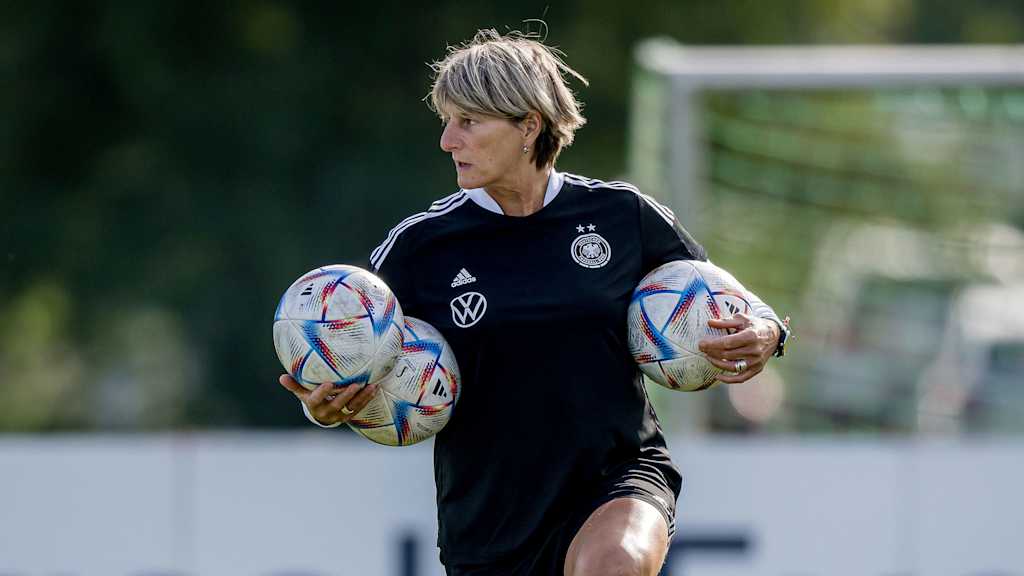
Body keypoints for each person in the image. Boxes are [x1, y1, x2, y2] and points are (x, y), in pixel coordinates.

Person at [279, 28, 789, 576]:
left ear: (528, 125)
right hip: (490, 519)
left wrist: (768, 331)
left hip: (618, 476)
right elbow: (347, 350)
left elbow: (725, 298)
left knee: (613, 565)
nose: (448, 141)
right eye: (446, 121)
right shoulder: (421, 246)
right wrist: (323, 406)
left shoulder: (622, 215)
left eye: (468, 122)